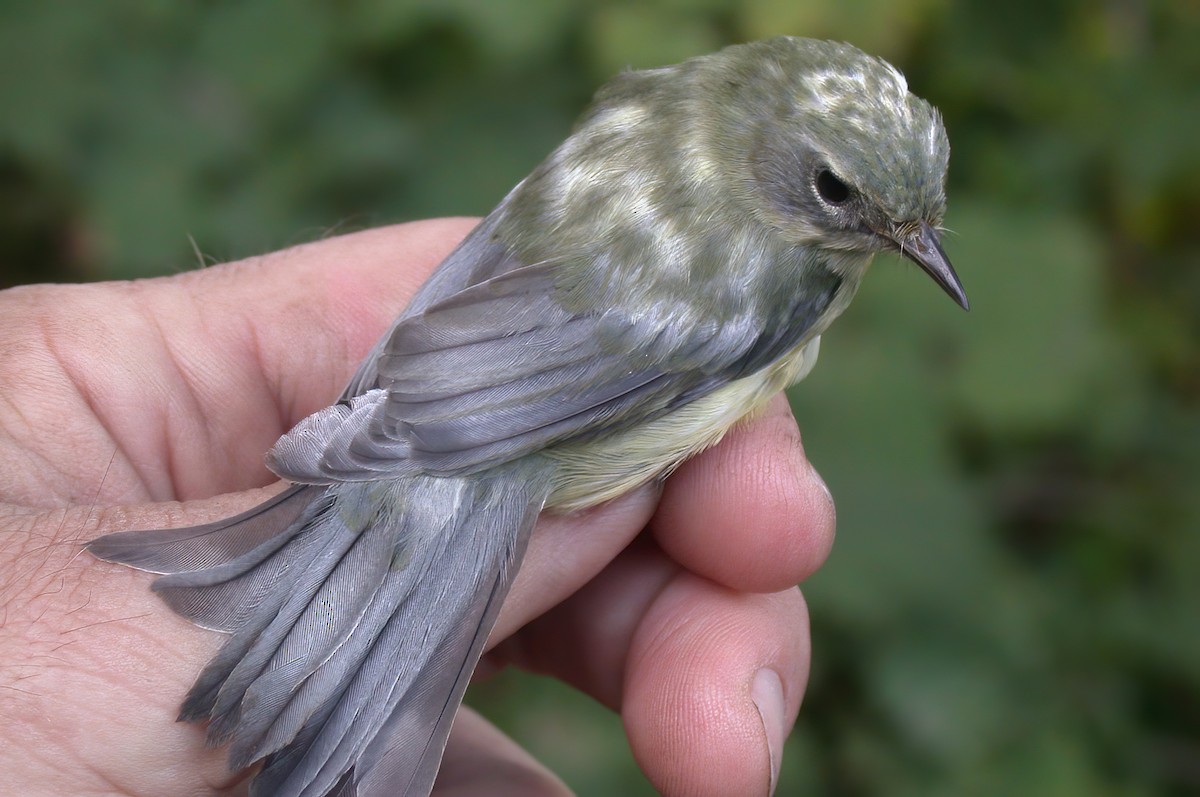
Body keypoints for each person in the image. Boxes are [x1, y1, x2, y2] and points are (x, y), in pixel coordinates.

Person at [0, 218, 836, 796]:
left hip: (446, 383)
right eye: (841, 197)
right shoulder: (780, 271)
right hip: (492, 452)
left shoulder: (642, 152)